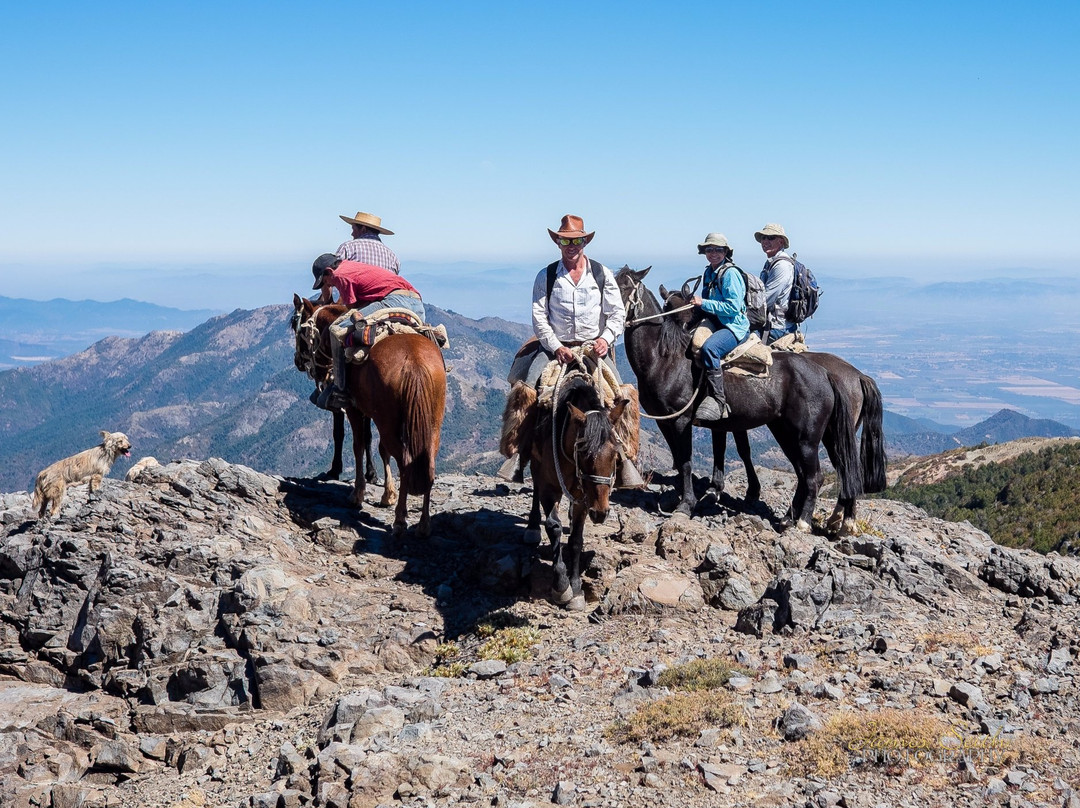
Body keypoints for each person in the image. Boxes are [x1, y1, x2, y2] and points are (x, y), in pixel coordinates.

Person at [505, 214, 641, 487]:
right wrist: (555, 347)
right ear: (558, 242)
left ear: (584, 242)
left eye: (577, 240)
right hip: (556, 347)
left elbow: (616, 314)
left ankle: (624, 459)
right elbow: (539, 317)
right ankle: (519, 454)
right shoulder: (547, 275)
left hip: (593, 349)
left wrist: (605, 338)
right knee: (529, 389)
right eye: (566, 240)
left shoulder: (602, 274)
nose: (572, 245)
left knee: (620, 395)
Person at [311, 254, 425, 409]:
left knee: (335, 330)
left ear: (330, 271)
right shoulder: (352, 266)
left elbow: (351, 309)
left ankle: (340, 390)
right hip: (417, 303)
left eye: (325, 281)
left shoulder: (341, 276)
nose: (328, 285)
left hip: (394, 300)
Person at [690, 234, 751, 421]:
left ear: (725, 252)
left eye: (718, 249)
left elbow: (733, 308)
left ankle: (719, 400)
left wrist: (703, 303)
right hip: (717, 322)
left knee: (710, 348)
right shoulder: (709, 272)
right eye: (709, 250)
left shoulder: (730, 274)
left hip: (734, 327)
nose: (713, 253)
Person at [755, 222, 798, 344]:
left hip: (777, 327)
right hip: (773, 323)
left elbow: (767, 299)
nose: (765, 241)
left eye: (771, 237)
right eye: (763, 238)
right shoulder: (771, 262)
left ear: (781, 242)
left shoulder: (782, 265)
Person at [335, 211, 400, 274]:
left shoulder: (348, 248)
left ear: (363, 229)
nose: (352, 234)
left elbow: (334, 274)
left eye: (354, 229)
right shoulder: (393, 258)